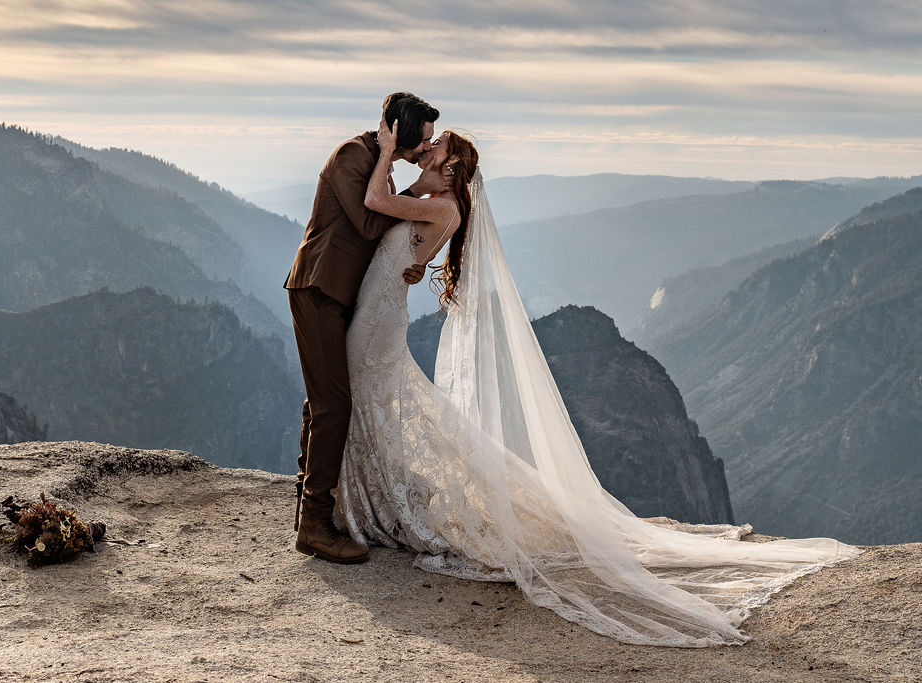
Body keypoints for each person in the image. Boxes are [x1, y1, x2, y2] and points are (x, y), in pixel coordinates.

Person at [333, 119, 862, 647]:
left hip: (377, 321)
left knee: (379, 398)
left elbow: (377, 201)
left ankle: (369, 504)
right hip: (376, 313)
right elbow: (397, 216)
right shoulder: (436, 197)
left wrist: (385, 149)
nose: (428, 147)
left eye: (438, 144)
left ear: (451, 165)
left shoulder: (443, 206)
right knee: (381, 400)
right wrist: (418, 169)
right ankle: (371, 499)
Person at [284, 92, 451, 564]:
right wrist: (417, 192)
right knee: (333, 404)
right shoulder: (353, 156)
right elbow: (367, 221)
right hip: (318, 289)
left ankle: (310, 509)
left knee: (323, 398)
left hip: (339, 294)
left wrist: (411, 260)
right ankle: (314, 526)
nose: (426, 149)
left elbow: (382, 230)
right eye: (423, 140)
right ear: (396, 131)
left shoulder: (377, 162)